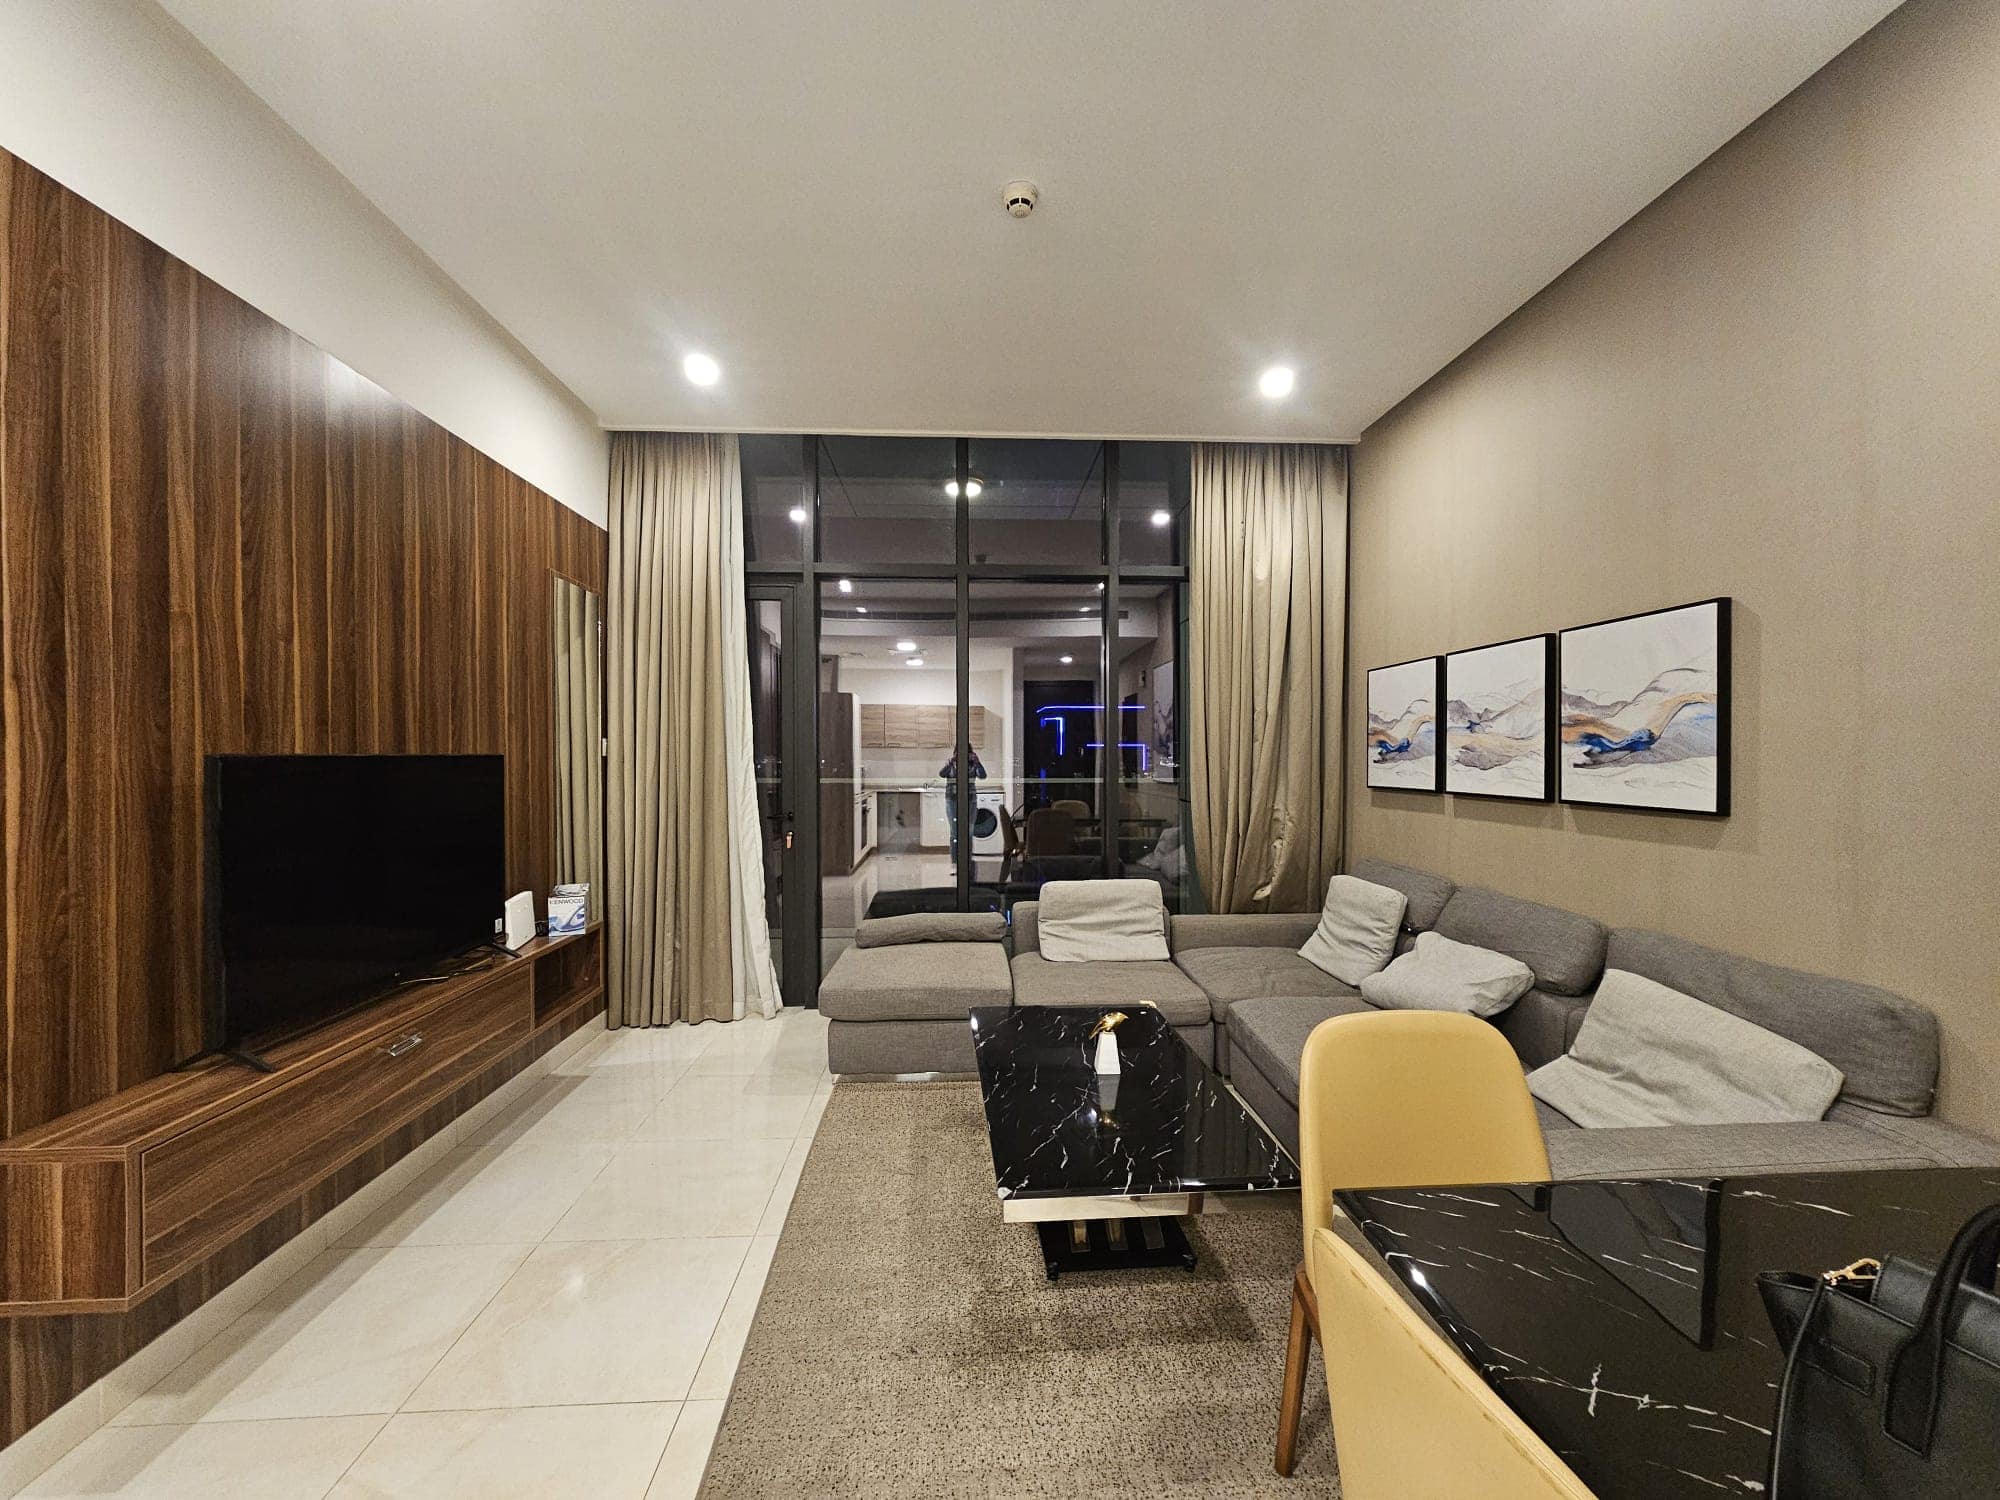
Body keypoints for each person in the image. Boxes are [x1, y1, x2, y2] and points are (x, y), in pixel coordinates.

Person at [938, 748, 988, 862]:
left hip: (970, 800)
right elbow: (941, 774)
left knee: (969, 832)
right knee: (954, 832)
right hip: (952, 800)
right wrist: (951, 762)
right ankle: (955, 862)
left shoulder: (973, 765)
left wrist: (977, 762)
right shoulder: (951, 764)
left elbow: (983, 776)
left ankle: (967, 861)